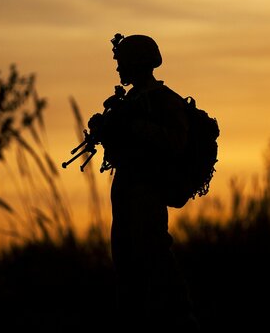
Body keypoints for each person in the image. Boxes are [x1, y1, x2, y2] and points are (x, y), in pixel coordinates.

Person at [88, 34, 201, 331]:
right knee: (124, 258)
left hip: (146, 190)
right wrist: (105, 130)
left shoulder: (165, 101)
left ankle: (180, 319)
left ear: (137, 62)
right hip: (126, 186)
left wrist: (133, 125)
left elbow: (174, 142)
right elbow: (121, 148)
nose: (118, 69)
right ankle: (134, 323)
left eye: (122, 62)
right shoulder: (131, 103)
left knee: (154, 252)